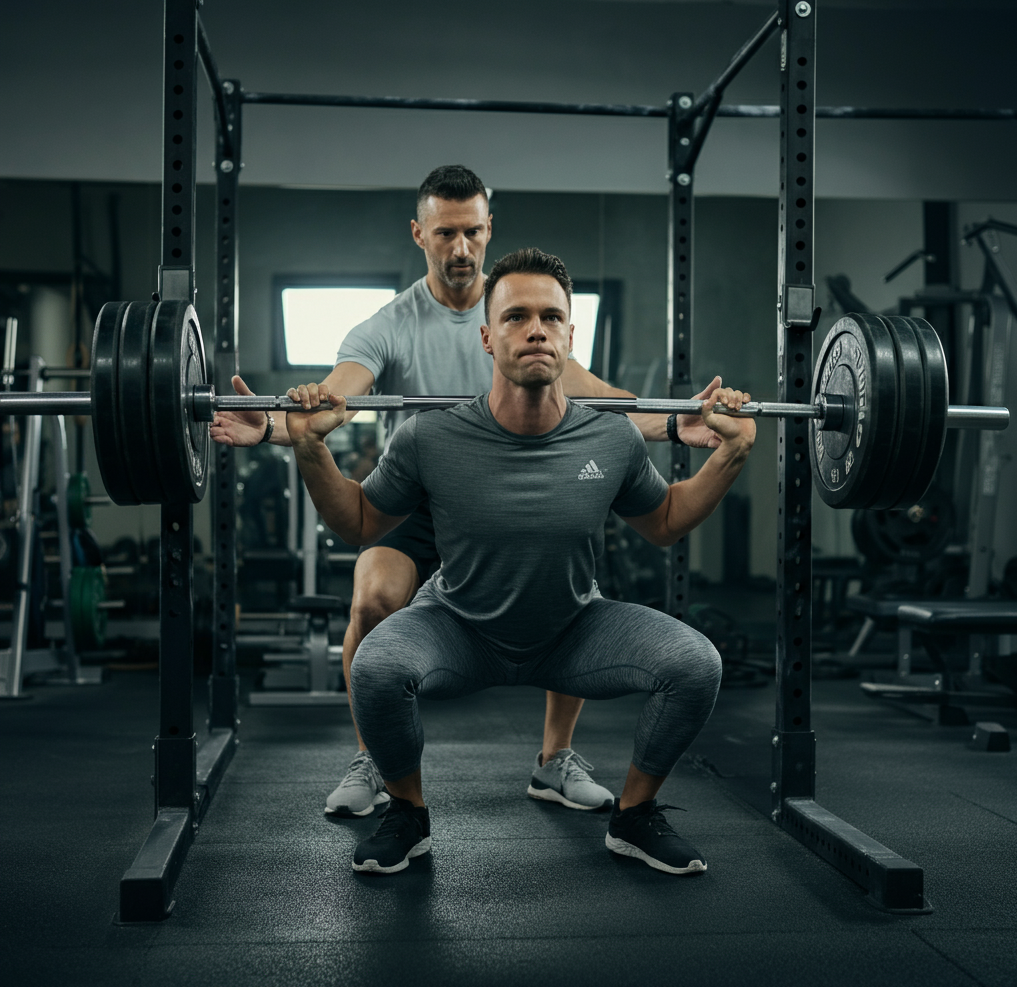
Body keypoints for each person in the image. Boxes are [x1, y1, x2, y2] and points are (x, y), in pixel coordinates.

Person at [211, 165, 726, 820]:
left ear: (489, 232)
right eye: (446, 233)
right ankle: (375, 755)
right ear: (419, 234)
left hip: (508, 489)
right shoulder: (389, 325)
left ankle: (553, 761)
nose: (461, 248)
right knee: (372, 602)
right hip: (421, 490)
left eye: (473, 233)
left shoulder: (521, 310)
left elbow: (603, 399)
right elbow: (339, 394)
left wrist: (672, 424)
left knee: (563, 590)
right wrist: (273, 430)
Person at [286, 247, 756, 876]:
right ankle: (408, 813)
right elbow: (360, 523)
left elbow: (665, 522)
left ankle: (635, 816)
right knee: (375, 665)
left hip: (572, 631)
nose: (535, 329)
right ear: (487, 336)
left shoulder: (609, 436)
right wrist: (313, 451)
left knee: (696, 664)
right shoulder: (429, 436)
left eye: (550, 317)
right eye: (515, 317)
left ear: (569, 333)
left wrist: (727, 458)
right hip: (459, 627)